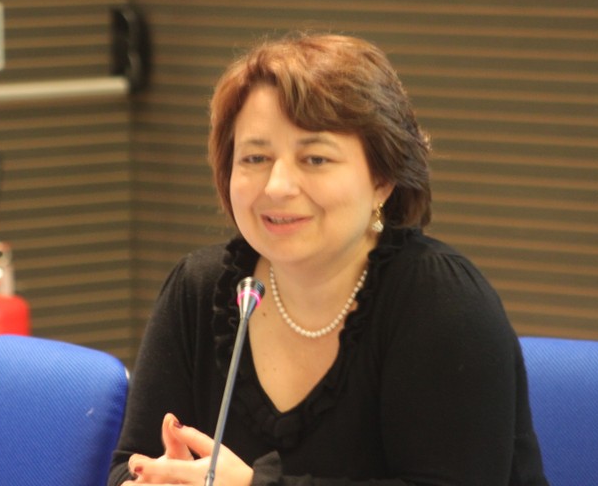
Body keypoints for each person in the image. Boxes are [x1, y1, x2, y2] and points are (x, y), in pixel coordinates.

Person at [108, 32, 549, 486]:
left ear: (382, 179)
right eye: (255, 158)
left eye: (315, 159)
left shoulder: (443, 303)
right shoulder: (198, 291)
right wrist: (152, 480)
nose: (277, 186)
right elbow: (130, 464)